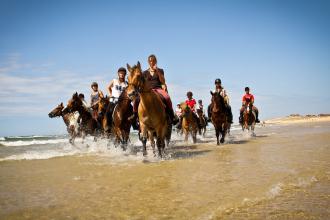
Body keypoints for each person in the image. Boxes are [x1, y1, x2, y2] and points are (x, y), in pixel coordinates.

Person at [129, 54, 178, 128]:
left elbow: (163, 81)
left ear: (156, 61)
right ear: (148, 62)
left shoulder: (160, 70)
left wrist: (157, 71)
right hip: (148, 90)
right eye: (150, 61)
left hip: (158, 89)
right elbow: (142, 82)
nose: (151, 62)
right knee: (136, 100)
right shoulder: (145, 72)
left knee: (167, 97)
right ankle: (135, 115)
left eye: (153, 61)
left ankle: (172, 115)